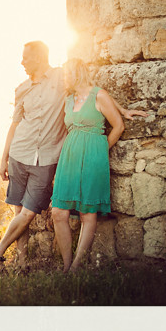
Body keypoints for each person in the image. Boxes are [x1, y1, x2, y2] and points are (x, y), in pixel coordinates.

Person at [0, 42, 144, 273]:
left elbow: (97, 94)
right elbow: (15, 123)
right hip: (39, 155)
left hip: (59, 157)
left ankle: (2, 253)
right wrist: (4, 158)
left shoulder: (63, 78)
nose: (22, 62)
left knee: (46, 212)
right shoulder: (36, 91)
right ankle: (25, 263)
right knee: (35, 211)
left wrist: (121, 112)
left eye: (26, 58)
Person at [50, 59, 123, 272]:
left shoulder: (99, 95)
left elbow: (118, 126)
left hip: (94, 157)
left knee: (87, 212)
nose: (65, 78)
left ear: (77, 72)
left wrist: (100, 151)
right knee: (58, 212)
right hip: (69, 158)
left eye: (67, 73)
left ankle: (76, 267)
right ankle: (66, 265)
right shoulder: (68, 99)